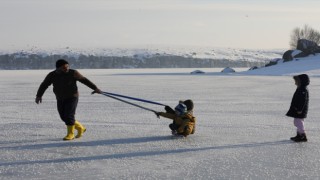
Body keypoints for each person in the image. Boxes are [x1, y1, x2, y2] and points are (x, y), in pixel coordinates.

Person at [35, 59, 102, 141]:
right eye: (63, 67)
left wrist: (95, 88)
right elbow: (44, 85)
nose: (66, 68)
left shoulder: (73, 73)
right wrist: (39, 95)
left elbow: (84, 80)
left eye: (67, 66)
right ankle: (81, 128)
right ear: (58, 68)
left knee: (69, 115)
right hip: (60, 98)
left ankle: (70, 134)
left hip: (72, 97)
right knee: (63, 117)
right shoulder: (52, 75)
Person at [286, 74, 309, 142]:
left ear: (301, 81)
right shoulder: (300, 88)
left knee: (298, 122)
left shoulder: (303, 89)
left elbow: (303, 101)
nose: (295, 82)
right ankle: (299, 135)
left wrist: (299, 109)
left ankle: (303, 135)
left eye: (296, 81)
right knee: (297, 122)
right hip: (298, 109)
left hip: (300, 110)